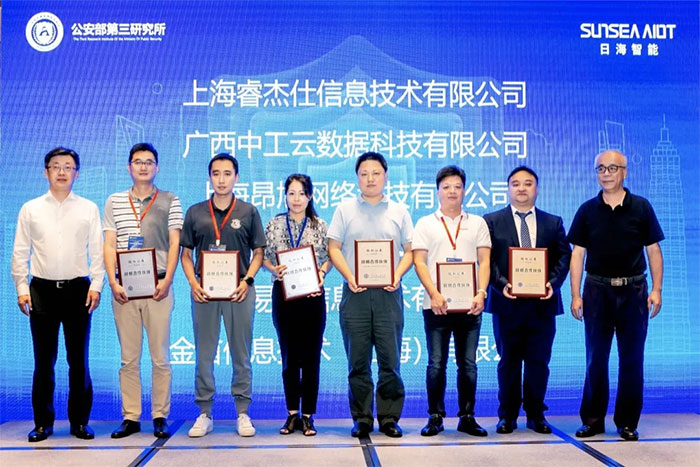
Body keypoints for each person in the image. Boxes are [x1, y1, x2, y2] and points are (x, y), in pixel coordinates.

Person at [569, 150, 663, 442]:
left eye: (612, 168)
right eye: (601, 168)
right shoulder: (587, 210)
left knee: (632, 359)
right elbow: (578, 254)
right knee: (595, 359)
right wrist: (575, 294)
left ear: (625, 172)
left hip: (634, 291)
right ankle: (593, 420)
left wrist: (657, 289)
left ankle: (627, 422)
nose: (606, 174)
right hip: (596, 291)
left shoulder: (641, 207)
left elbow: (653, 251)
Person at [11, 147, 105, 442]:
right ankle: (42, 423)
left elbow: (97, 250)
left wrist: (97, 284)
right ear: (46, 172)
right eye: (56, 166)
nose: (62, 171)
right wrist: (22, 288)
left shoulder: (88, 208)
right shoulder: (30, 208)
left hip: (78, 289)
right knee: (43, 361)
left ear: (77, 173)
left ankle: (79, 422)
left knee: (79, 361)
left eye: (68, 166)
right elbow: (20, 252)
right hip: (41, 290)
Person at [327, 152, 414, 438]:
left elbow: (410, 251)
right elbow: (333, 247)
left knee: (390, 360)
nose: (370, 179)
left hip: (389, 294)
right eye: (364, 174)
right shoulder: (344, 209)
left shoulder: (399, 211)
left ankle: (389, 418)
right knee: (358, 361)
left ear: (385, 176)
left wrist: (397, 274)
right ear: (357, 178)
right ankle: (362, 418)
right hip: (356, 294)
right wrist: (349, 276)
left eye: (376, 173)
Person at [180, 153, 266, 438]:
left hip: (239, 292)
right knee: (204, 355)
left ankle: (242, 412)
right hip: (204, 293)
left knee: (241, 354)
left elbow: (258, 252)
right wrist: (193, 283)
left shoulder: (248, 211)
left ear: (236, 178)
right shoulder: (195, 212)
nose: (221, 179)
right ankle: (204, 412)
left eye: (227, 174)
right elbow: (186, 254)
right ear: (209, 177)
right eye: (216, 173)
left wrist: (248, 280)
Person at [483, 166, 571, 435]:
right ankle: (507, 416)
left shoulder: (553, 222)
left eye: (528, 183)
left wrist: (551, 283)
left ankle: (536, 414)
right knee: (508, 362)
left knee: (538, 362)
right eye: (516, 183)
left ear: (537, 188)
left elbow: (564, 257)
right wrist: (502, 284)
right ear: (508, 188)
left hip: (542, 304)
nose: (521, 188)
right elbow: (486, 260)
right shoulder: (491, 221)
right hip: (506, 303)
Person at [103, 143, 183, 439]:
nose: (144, 166)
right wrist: (113, 282)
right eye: (138, 162)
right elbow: (109, 244)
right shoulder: (114, 201)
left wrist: (168, 280)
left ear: (157, 167)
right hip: (124, 287)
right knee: (129, 357)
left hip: (158, 286)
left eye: (149, 162)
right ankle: (131, 417)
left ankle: (160, 415)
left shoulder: (170, 200)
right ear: (129, 167)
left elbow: (175, 243)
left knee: (160, 356)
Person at [412, 165, 491, 437]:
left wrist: (481, 292)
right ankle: (435, 416)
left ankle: (467, 416)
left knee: (468, 364)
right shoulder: (425, 223)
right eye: (446, 187)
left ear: (465, 190)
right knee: (436, 363)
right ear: (437, 191)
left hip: (470, 305)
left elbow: (484, 261)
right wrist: (434, 293)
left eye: (457, 186)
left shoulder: (477, 223)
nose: (452, 191)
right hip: (436, 305)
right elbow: (419, 262)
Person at [263, 174, 331, 436]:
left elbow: (330, 257)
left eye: (301, 193)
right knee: (289, 357)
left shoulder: (320, 225)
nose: (296, 199)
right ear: (285, 196)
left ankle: (309, 415)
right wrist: (273, 269)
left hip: (313, 297)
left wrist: (322, 272)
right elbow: (263, 256)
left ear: (310, 196)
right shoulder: (275, 224)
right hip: (284, 296)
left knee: (312, 357)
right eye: (291, 193)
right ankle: (292, 414)